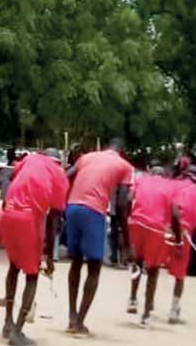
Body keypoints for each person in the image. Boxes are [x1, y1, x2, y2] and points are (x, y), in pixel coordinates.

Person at [0, 149, 69, 346]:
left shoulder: (29, 160)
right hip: (28, 218)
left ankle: (8, 322)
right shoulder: (59, 174)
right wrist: (48, 254)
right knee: (32, 274)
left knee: (13, 267)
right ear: (59, 161)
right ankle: (18, 331)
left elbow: (13, 175)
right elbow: (54, 218)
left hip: (9, 211)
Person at [63, 138, 134, 336]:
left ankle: (71, 315)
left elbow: (66, 176)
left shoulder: (87, 157)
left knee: (76, 262)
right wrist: (126, 242)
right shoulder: (124, 166)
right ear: (122, 151)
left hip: (73, 207)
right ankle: (79, 321)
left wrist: (63, 201)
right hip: (93, 211)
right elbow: (121, 205)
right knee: (94, 266)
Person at [125, 164, 180, 329]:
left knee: (137, 264)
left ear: (151, 172)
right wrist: (178, 237)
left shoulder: (141, 180)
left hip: (137, 223)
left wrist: (129, 216)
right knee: (153, 270)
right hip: (156, 229)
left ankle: (133, 299)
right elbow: (176, 214)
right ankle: (146, 314)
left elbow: (128, 199)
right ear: (164, 174)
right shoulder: (170, 186)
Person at [166, 164, 196, 324]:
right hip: (183, 233)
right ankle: (173, 310)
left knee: (152, 269)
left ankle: (143, 304)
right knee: (180, 275)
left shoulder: (173, 185)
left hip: (164, 229)